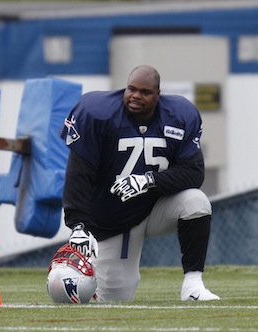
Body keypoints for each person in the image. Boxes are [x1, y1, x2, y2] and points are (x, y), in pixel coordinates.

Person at [59, 65, 219, 302]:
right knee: (115, 298)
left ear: (158, 94)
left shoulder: (180, 114)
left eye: (145, 92)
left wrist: (148, 180)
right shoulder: (96, 112)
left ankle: (193, 286)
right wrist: (78, 225)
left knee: (196, 201)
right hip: (111, 220)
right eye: (131, 89)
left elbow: (194, 173)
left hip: (155, 207)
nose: (135, 96)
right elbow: (78, 174)